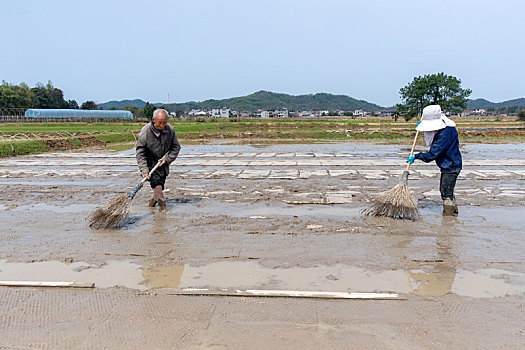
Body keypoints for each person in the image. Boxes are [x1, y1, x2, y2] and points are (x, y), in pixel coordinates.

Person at [407, 105, 462, 216]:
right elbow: (432, 135)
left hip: (451, 166)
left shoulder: (445, 133)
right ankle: (454, 214)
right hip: (449, 165)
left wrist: (416, 156)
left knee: (446, 193)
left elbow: (433, 154)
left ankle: (448, 218)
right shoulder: (446, 127)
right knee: (447, 191)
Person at [136, 109, 181, 211]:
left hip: (163, 166)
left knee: (159, 188)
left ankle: (151, 205)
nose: (162, 125)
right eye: (159, 123)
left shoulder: (170, 130)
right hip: (150, 165)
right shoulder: (145, 132)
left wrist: (167, 159)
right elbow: (140, 154)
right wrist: (144, 171)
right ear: (153, 120)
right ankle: (163, 211)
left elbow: (176, 147)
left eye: (164, 123)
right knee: (158, 187)